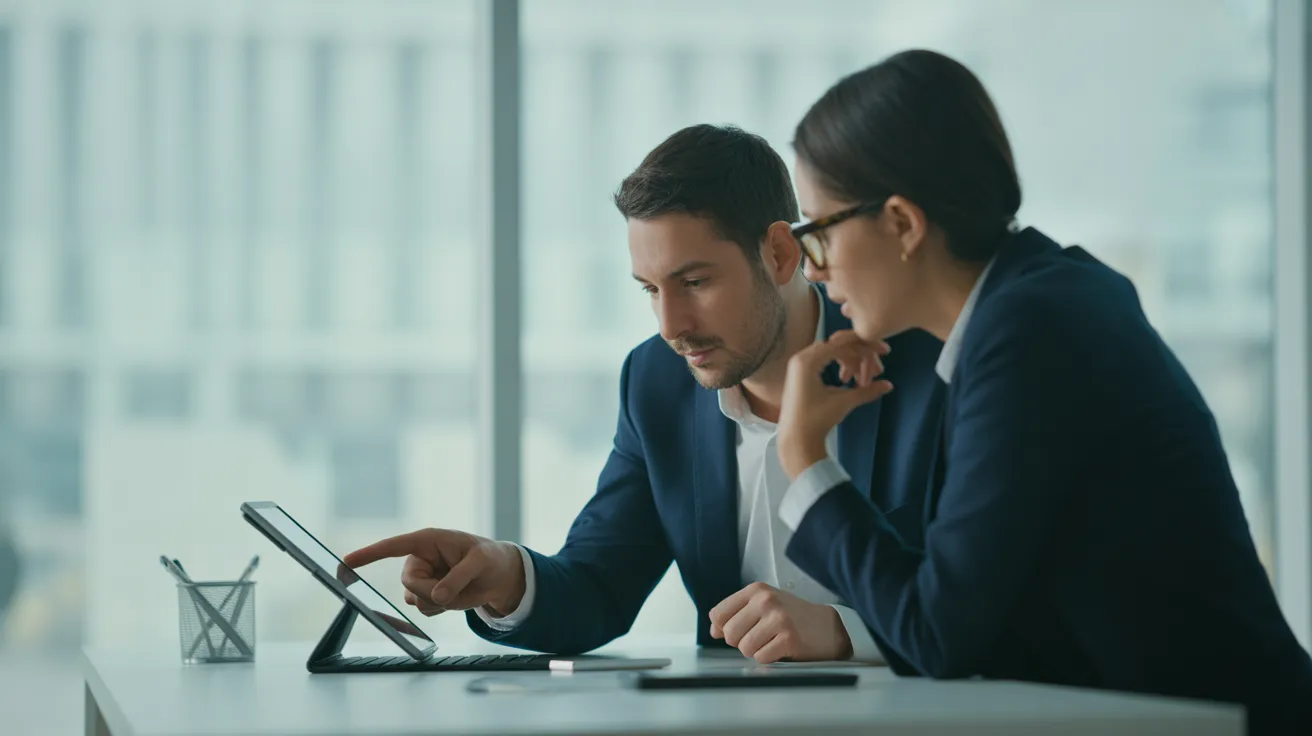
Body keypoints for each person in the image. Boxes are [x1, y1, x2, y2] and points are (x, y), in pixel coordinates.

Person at [761, 49, 1312, 732]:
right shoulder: (1034, 304)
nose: (814, 273)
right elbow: (965, 604)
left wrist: (804, 455)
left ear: (902, 223)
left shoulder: (1031, 330)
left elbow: (938, 633)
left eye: (819, 232)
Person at [344, 124, 944, 663]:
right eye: (651, 289)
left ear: (781, 253)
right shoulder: (657, 382)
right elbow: (600, 585)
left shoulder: (925, 368)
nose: (671, 326)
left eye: (695, 281)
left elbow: (989, 602)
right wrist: (506, 577)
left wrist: (848, 632)